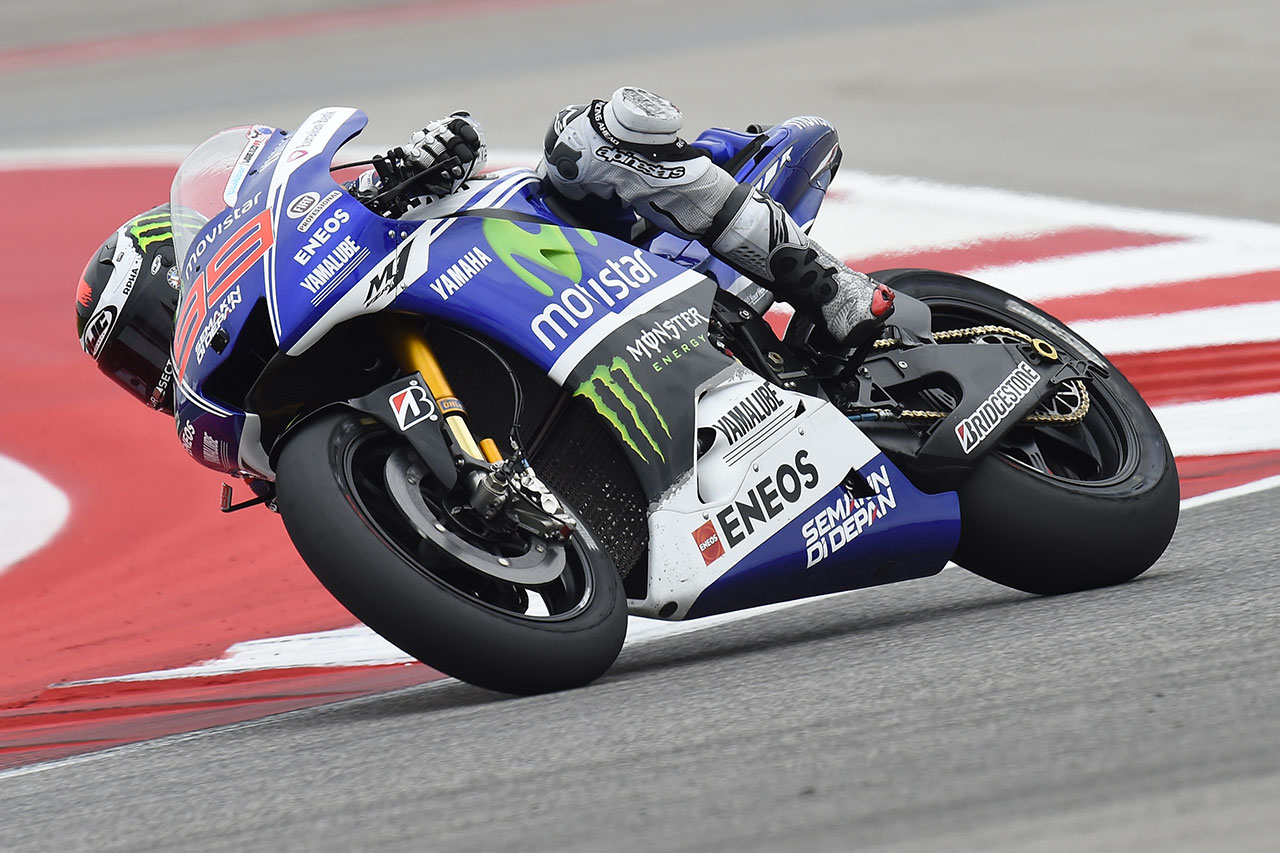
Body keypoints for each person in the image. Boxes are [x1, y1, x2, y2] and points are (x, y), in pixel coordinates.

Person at [76, 88, 893, 409]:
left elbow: (450, 153)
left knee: (587, 139)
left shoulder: (316, 245)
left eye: (151, 337)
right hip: (572, 377)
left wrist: (418, 160)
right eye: (134, 369)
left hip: (585, 252)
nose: (156, 370)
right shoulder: (277, 435)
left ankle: (835, 292)